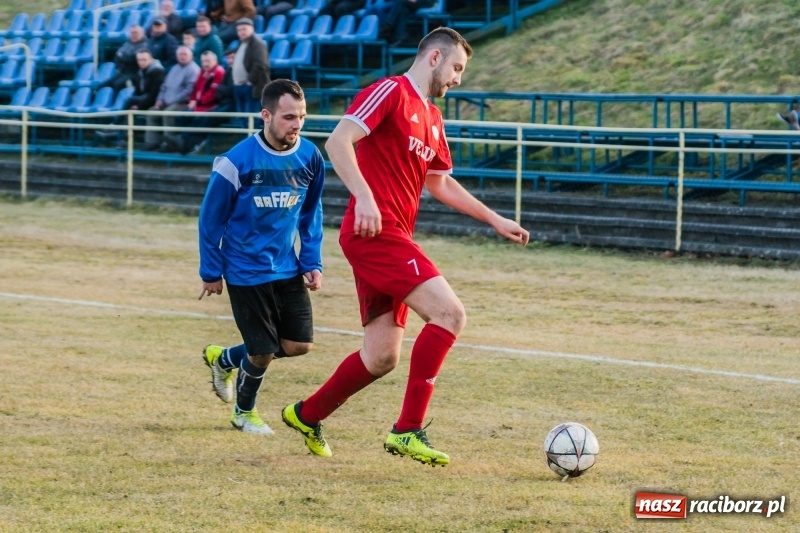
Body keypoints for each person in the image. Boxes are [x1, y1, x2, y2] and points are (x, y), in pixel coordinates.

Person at [281, 27, 530, 466]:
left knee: (381, 357)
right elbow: (337, 142)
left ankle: (306, 414)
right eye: (456, 67)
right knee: (450, 314)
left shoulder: (432, 119)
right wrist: (367, 198)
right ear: (433, 57)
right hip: (375, 233)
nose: (458, 78)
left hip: (392, 234)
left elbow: (440, 182)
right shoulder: (390, 92)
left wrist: (494, 218)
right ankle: (408, 430)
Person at [198, 79, 325, 435]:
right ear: (266, 115)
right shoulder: (235, 162)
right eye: (288, 117)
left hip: (286, 266)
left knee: (299, 345)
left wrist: (312, 261)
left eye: (301, 116)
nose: (297, 124)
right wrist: (211, 270)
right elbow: (211, 220)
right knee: (263, 351)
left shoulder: (310, 157)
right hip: (244, 270)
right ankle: (244, 413)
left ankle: (223, 359)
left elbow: (311, 212)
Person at [164, 50, 229, 154]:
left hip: (209, 106)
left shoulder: (219, 72)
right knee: (181, 117)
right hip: (199, 106)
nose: (205, 64)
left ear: (215, 61)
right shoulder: (203, 72)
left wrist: (198, 102)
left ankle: (187, 145)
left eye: (208, 61)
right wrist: (193, 100)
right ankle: (181, 143)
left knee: (197, 118)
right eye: (203, 61)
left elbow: (212, 93)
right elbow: (196, 89)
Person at [143, 46, 200, 151]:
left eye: (185, 54)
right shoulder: (174, 68)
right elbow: (164, 86)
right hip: (167, 102)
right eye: (180, 54)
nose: (182, 57)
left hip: (182, 103)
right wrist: (160, 100)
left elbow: (189, 91)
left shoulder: (194, 70)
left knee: (168, 113)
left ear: (191, 56)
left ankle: (168, 143)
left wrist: (171, 100)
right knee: (151, 112)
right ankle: (152, 142)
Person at [231, 17, 270, 126]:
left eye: (244, 29)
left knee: (252, 120)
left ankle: (255, 142)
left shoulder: (258, 44)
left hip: (252, 88)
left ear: (252, 29)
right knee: (243, 119)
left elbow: (261, 65)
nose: (241, 32)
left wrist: (250, 81)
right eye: (239, 30)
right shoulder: (241, 43)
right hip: (239, 86)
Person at [101, 25, 148, 93]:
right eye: (132, 33)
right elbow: (117, 56)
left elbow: (132, 58)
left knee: (118, 85)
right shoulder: (127, 43)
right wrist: (123, 57)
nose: (134, 35)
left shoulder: (145, 45)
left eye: (136, 33)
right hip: (123, 72)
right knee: (104, 85)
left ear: (142, 33)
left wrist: (123, 56)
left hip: (135, 73)